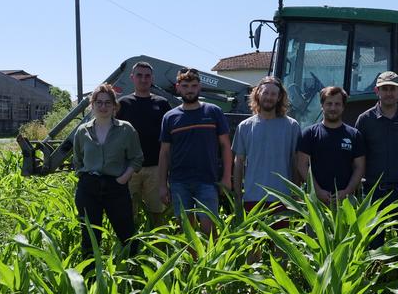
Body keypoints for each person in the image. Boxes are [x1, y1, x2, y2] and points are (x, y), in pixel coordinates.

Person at [158, 68, 231, 236]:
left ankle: (211, 262)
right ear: (178, 87)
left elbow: (225, 146)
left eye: (193, 85)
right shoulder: (170, 117)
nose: (189, 90)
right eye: (185, 86)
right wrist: (162, 185)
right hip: (179, 182)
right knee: (186, 232)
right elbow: (164, 153)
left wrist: (226, 177)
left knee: (209, 230)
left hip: (207, 181)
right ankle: (191, 263)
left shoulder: (213, 112)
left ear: (199, 87)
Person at [73, 83, 144, 258]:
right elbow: (77, 160)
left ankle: (133, 275)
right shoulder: (82, 131)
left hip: (116, 187)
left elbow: (137, 158)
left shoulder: (126, 129)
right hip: (89, 188)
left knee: (127, 234)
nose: (103, 106)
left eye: (107, 102)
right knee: (90, 237)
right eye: (99, 102)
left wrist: (123, 178)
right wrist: (84, 178)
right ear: (93, 105)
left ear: (114, 106)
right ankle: (90, 279)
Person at [355, 71, 398, 225]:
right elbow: (358, 157)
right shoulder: (365, 120)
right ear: (377, 91)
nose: (389, 93)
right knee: (373, 245)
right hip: (373, 192)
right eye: (384, 88)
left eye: (392, 89)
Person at [232, 76, 301, 222]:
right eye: (266, 93)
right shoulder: (244, 127)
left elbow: (295, 162)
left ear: (279, 97)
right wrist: (238, 195)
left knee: (280, 244)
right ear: (258, 94)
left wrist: (296, 194)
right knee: (254, 244)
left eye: (273, 94)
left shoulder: (292, 126)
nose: (269, 97)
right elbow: (239, 162)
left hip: (283, 199)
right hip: (253, 198)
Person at [116, 61, 172, 228]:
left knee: (158, 213)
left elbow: (169, 137)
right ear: (132, 78)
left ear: (152, 79)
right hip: (129, 168)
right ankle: (130, 248)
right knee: (128, 213)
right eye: (139, 75)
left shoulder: (162, 103)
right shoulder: (123, 104)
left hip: (156, 168)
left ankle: (160, 248)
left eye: (147, 76)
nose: (143, 79)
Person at [296, 86, 365, 204]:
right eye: (329, 104)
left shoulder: (354, 135)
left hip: (346, 202)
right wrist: (318, 191)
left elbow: (360, 167)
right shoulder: (309, 134)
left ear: (343, 107)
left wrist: (347, 192)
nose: (333, 108)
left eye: (337, 104)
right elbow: (302, 165)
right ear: (322, 106)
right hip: (316, 201)